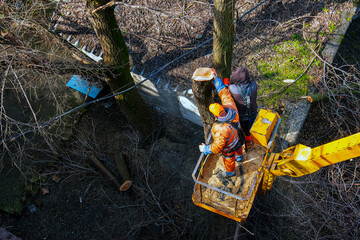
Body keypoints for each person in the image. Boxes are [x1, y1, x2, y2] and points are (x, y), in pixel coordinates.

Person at [199, 68, 244, 178]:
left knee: (229, 161)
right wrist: (216, 79)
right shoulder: (230, 107)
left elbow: (217, 147)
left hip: (229, 148)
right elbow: (224, 93)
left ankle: (231, 173)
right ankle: (240, 158)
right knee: (238, 149)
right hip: (238, 138)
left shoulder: (220, 129)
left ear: (215, 115)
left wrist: (205, 149)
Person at [225, 67, 258, 149]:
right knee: (249, 129)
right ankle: (249, 143)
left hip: (241, 115)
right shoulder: (254, 85)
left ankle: (244, 143)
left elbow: (229, 86)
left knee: (241, 130)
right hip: (252, 112)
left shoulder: (232, 89)